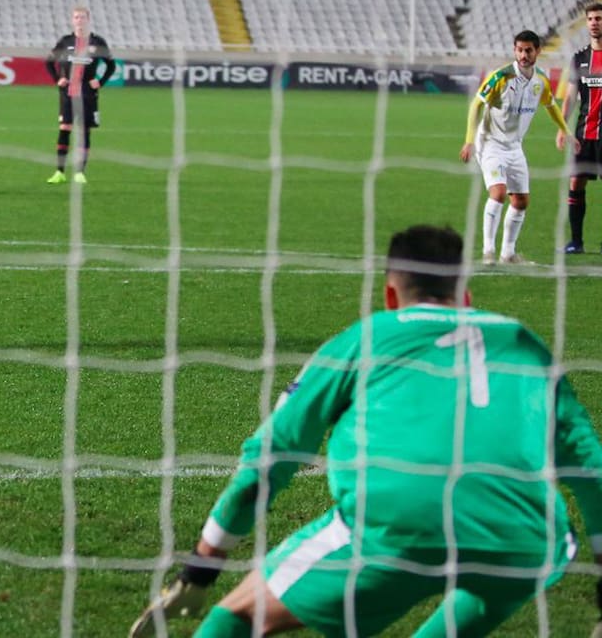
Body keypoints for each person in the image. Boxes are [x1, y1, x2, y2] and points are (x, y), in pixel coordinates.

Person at [129, 223, 602, 638]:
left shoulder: (367, 337)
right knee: (514, 561)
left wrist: (201, 570)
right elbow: (590, 469)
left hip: (396, 521)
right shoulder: (525, 345)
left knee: (234, 617)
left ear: (391, 297)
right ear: (466, 298)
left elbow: (270, 457)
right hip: (526, 538)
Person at [459, 30, 577, 265]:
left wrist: (566, 130)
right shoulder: (501, 76)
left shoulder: (540, 80)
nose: (523, 55)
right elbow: (476, 105)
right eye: (520, 50)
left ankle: (508, 254)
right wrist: (470, 140)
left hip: (514, 147)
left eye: (528, 50)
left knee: (521, 201)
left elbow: (551, 105)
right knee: (499, 193)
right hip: (490, 142)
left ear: (537, 51)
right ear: (515, 50)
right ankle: (489, 252)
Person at [44, 5, 115, 184]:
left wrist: (100, 81)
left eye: (82, 17)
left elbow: (111, 65)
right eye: (76, 17)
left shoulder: (98, 42)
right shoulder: (65, 41)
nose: (79, 20)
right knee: (65, 128)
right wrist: (57, 79)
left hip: (88, 94)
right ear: (72, 20)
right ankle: (59, 172)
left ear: (88, 20)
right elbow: (49, 62)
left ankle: (79, 172)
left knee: (84, 131)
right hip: (68, 93)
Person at [557, 1, 602, 254]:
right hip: (584, 133)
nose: (595, 23)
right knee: (576, 183)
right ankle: (576, 242)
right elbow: (571, 96)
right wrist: (562, 126)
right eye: (591, 19)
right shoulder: (580, 57)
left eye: (599, 18)